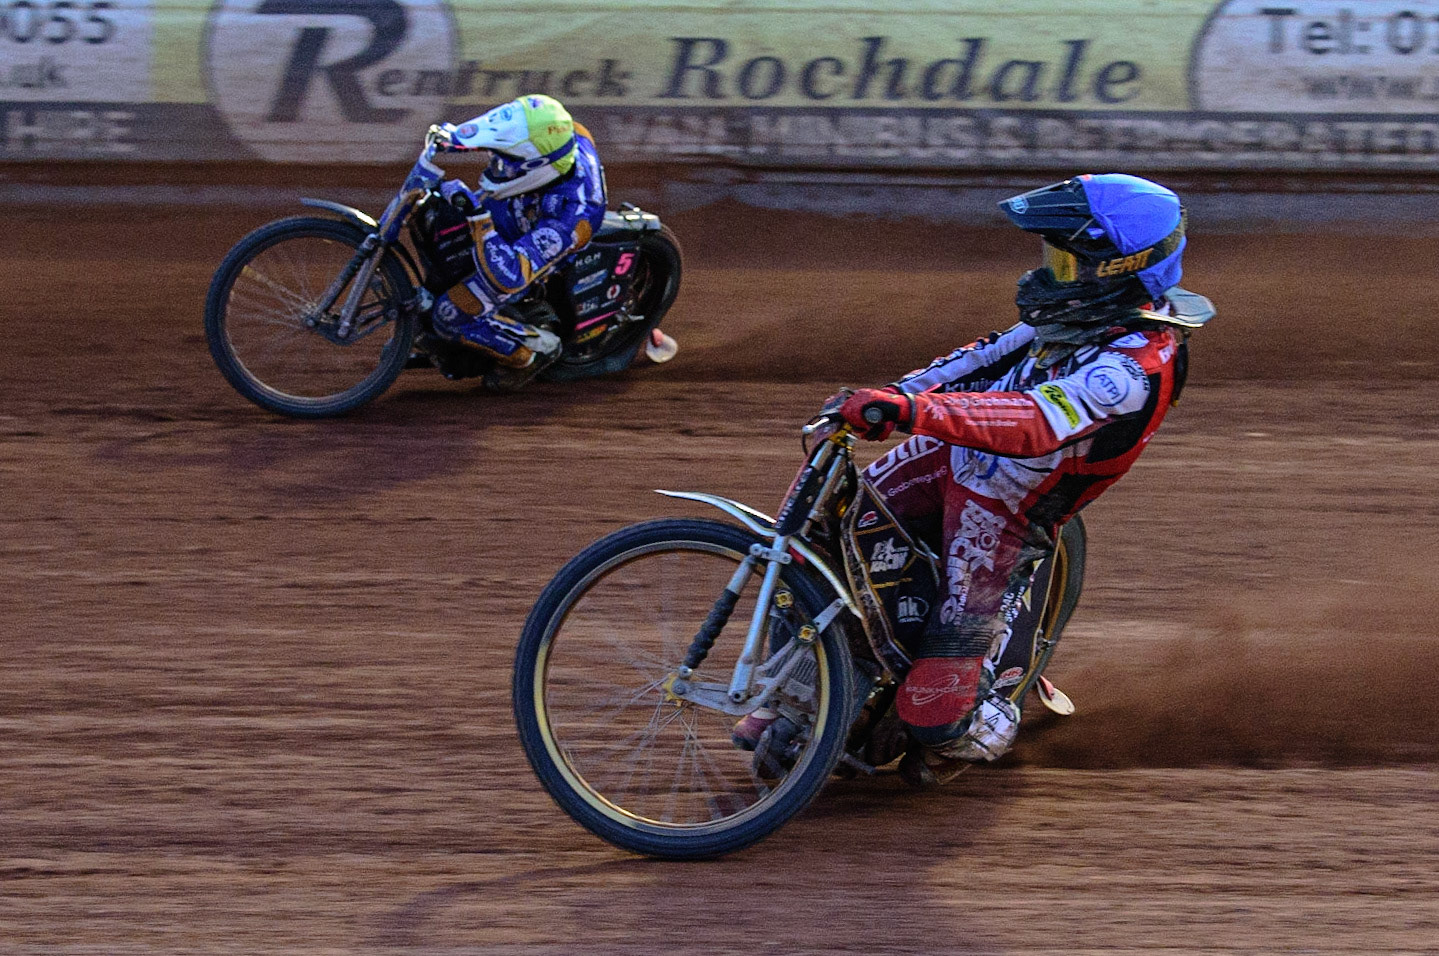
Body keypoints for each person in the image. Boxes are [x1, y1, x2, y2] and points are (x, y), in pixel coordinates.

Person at [778, 174, 1209, 785]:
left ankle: (999, 698)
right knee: (822, 527)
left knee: (937, 721)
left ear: (1117, 269)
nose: (1049, 273)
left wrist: (911, 412)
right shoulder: (1068, 317)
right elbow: (980, 359)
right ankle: (814, 680)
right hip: (948, 456)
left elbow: (1034, 423)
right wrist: (890, 397)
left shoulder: (1133, 368)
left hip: (1009, 509)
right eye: (1052, 256)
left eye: (1066, 261)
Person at [429, 94, 607, 388]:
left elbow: (510, 276)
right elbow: (508, 134)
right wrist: (458, 139)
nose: (498, 167)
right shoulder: (561, 134)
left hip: (535, 250)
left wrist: (479, 219)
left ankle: (530, 352)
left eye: (508, 165)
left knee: (449, 314)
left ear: (538, 168)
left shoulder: (571, 220)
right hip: (525, 204)